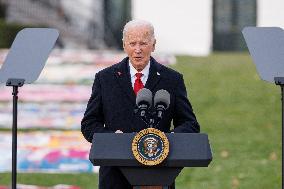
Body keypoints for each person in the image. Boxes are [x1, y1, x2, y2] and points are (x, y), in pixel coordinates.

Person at [81, 20, 200, 189]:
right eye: (132, 43)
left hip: (159, 174)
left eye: (143, 43)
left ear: (153, 45)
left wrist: (166, 140)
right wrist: (112, 138)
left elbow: (190, 124)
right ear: (124, 45)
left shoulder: (172, 79)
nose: (137, 49)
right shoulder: (105, 78)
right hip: (115, 176)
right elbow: (89, 124)